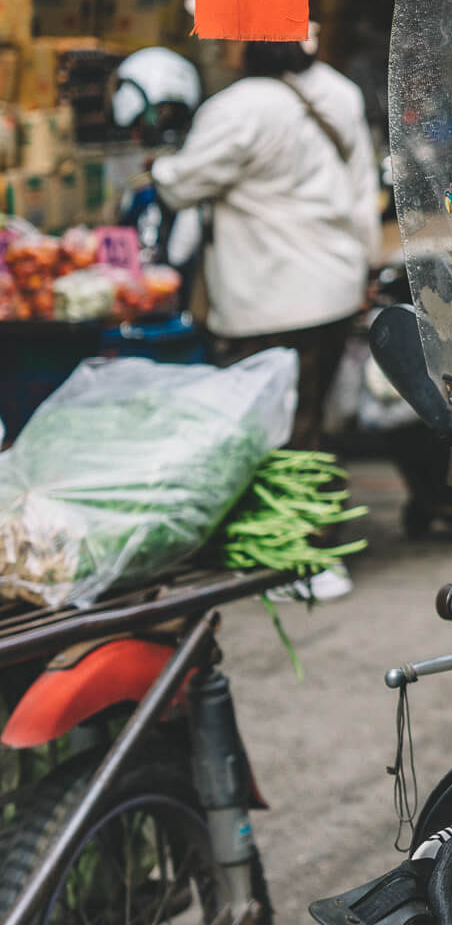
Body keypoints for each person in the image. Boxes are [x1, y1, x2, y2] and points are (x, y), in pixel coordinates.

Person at [152, 30, 380, 600]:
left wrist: (157, 167)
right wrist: (365, 268)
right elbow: (360, 189)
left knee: (277, 430)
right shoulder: (339, 92)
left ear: (247, 46)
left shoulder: (237, 107)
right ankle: (309, 550)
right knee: (308, 420)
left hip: (269, 297)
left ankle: (302, 560)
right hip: (329, 283)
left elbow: (182, 185)